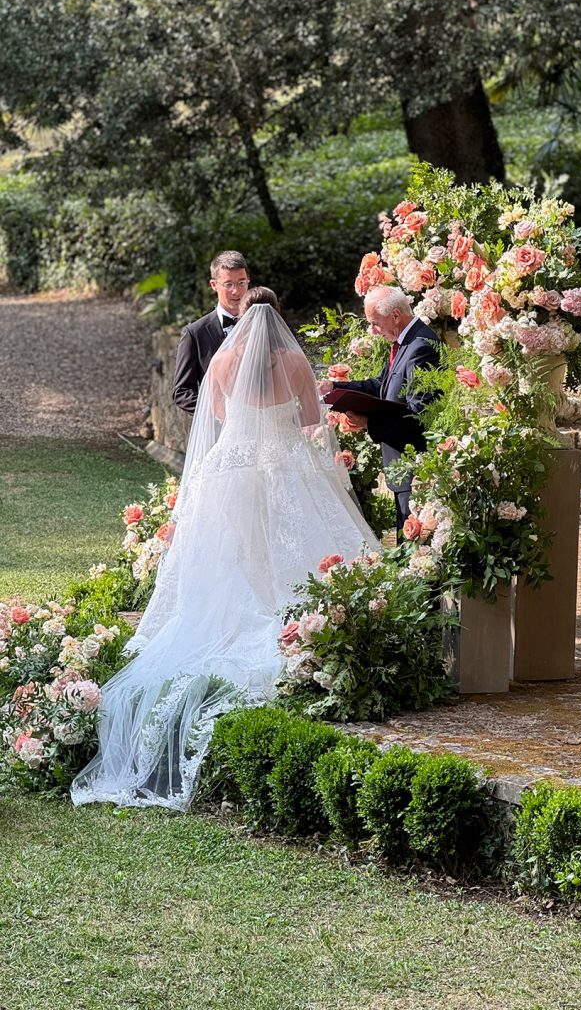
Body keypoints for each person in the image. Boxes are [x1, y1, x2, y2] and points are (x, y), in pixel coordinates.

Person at [72, 295, 378, 811]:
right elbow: (309, 414)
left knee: (232, 556)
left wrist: (246, 423)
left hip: (230, 468)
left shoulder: (224, 358)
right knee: (298, 552)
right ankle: (301, 625)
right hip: (284, 465)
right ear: (278, 320)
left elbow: (215, 414)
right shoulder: (295, 360)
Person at [325, 285, 439, 538]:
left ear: (396, 316)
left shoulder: (421, 346)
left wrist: (369, 423)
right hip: (401, 467)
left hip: (413, 466)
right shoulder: (406, 342)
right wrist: (335, 388)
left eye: (375, 323)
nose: (373, 331)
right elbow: (381, 385)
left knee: (413, 554)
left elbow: (418, 415)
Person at [172, 251, 250, 415]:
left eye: (241, 282)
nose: (236, 291)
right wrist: (217, 414)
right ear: (214, 285)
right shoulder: (195, 333)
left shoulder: (263, 324)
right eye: (228, 284)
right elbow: (182, 392)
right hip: (218, 433)